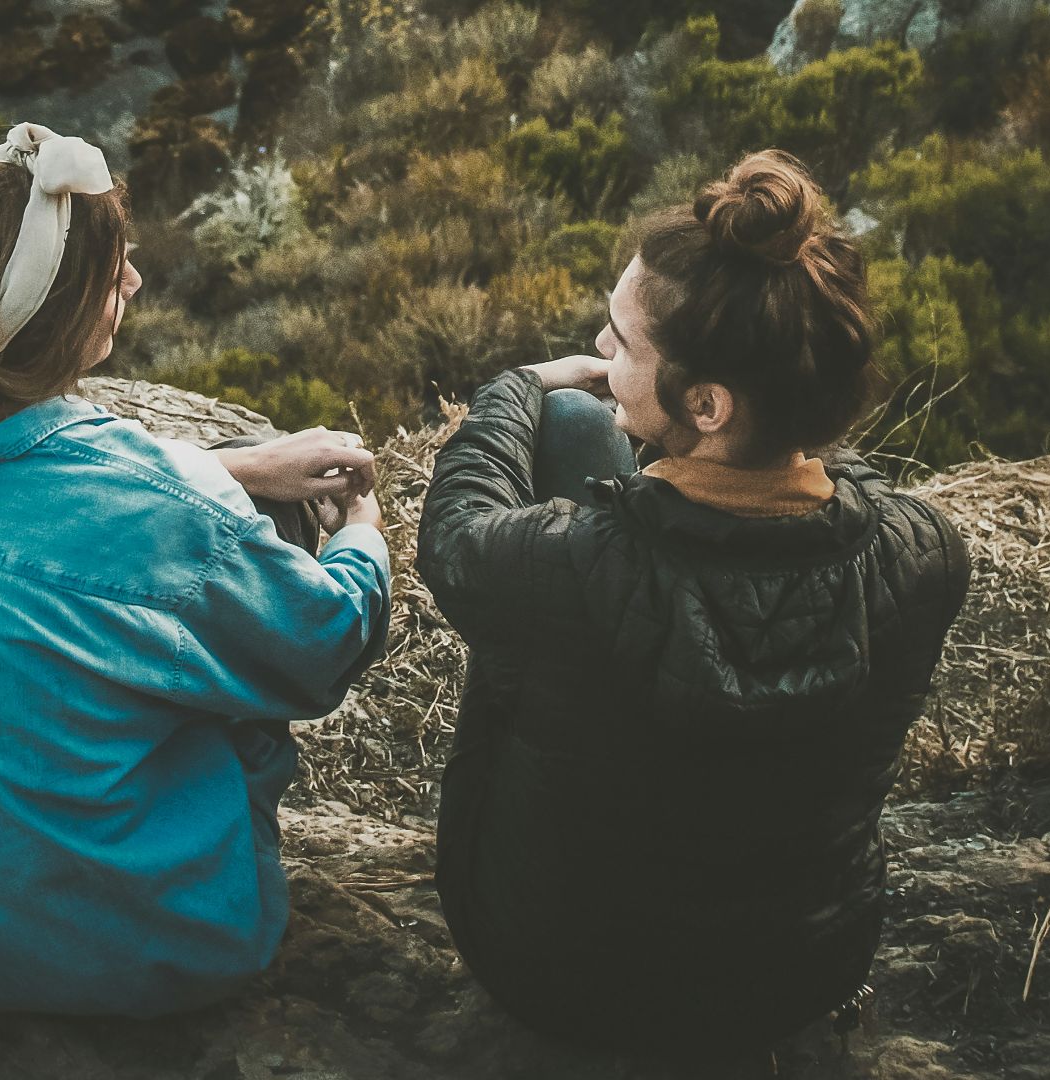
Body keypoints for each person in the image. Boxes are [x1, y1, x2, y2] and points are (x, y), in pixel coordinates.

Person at [0, 123, 390, 1017]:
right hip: (126, 954)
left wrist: (233, 469)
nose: (134, 281)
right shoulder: (153, 511)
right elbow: (326, 643)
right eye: (111, 270)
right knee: (243, 617)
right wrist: (360, 526)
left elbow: (27, 503)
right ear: (54, 321)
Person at [416, 149, 970, 1064]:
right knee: (595, 452)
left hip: (558, 977)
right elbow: (834, 493)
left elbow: (457, 533)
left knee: (569, 429)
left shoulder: (574, 566)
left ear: (707, 402)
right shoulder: (926, 556)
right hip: (800, 972)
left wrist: (516, 389)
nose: (600, 351)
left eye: (620, 342)